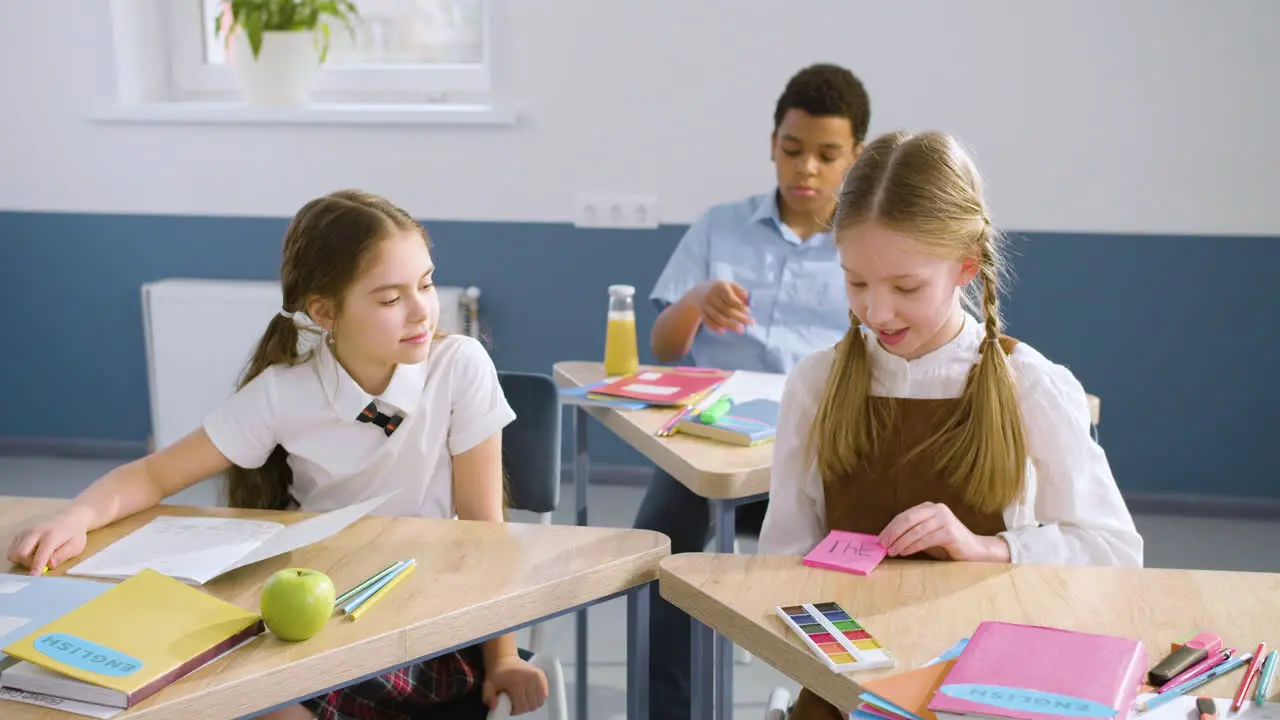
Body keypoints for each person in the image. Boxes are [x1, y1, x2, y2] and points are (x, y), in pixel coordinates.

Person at [7, 191, 549, 720]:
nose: (421, 312)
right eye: (390, 299)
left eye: (426, 285)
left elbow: (485, 532)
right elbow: (154, 474)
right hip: (316, 617)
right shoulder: (284, 392)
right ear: (324, 311)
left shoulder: (459, 366)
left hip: (427, 614)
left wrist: (502, 658)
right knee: (215, 684)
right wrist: (75, 516)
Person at [757, 130, 1142, 720]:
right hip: (842, 692)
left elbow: (1115, 553)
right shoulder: (816, 383)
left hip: (984, 691)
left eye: (906, 287)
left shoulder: (1028, 385)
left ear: (965, 267)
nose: (876, 312)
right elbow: (783, 560)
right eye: (856, 281)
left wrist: (988, 548)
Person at [636, 62, 872, 717]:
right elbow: (662, 349)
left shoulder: (866, 244)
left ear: (855, 157)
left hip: (815, 450)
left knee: (869, 547)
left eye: (828, 156)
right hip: (711, 448)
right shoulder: (721, 226)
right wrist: (694, 301)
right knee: (657, 543)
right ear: (772, 144)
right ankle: (669, 709)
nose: (807, 171)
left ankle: (834, 699)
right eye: (793, 151)